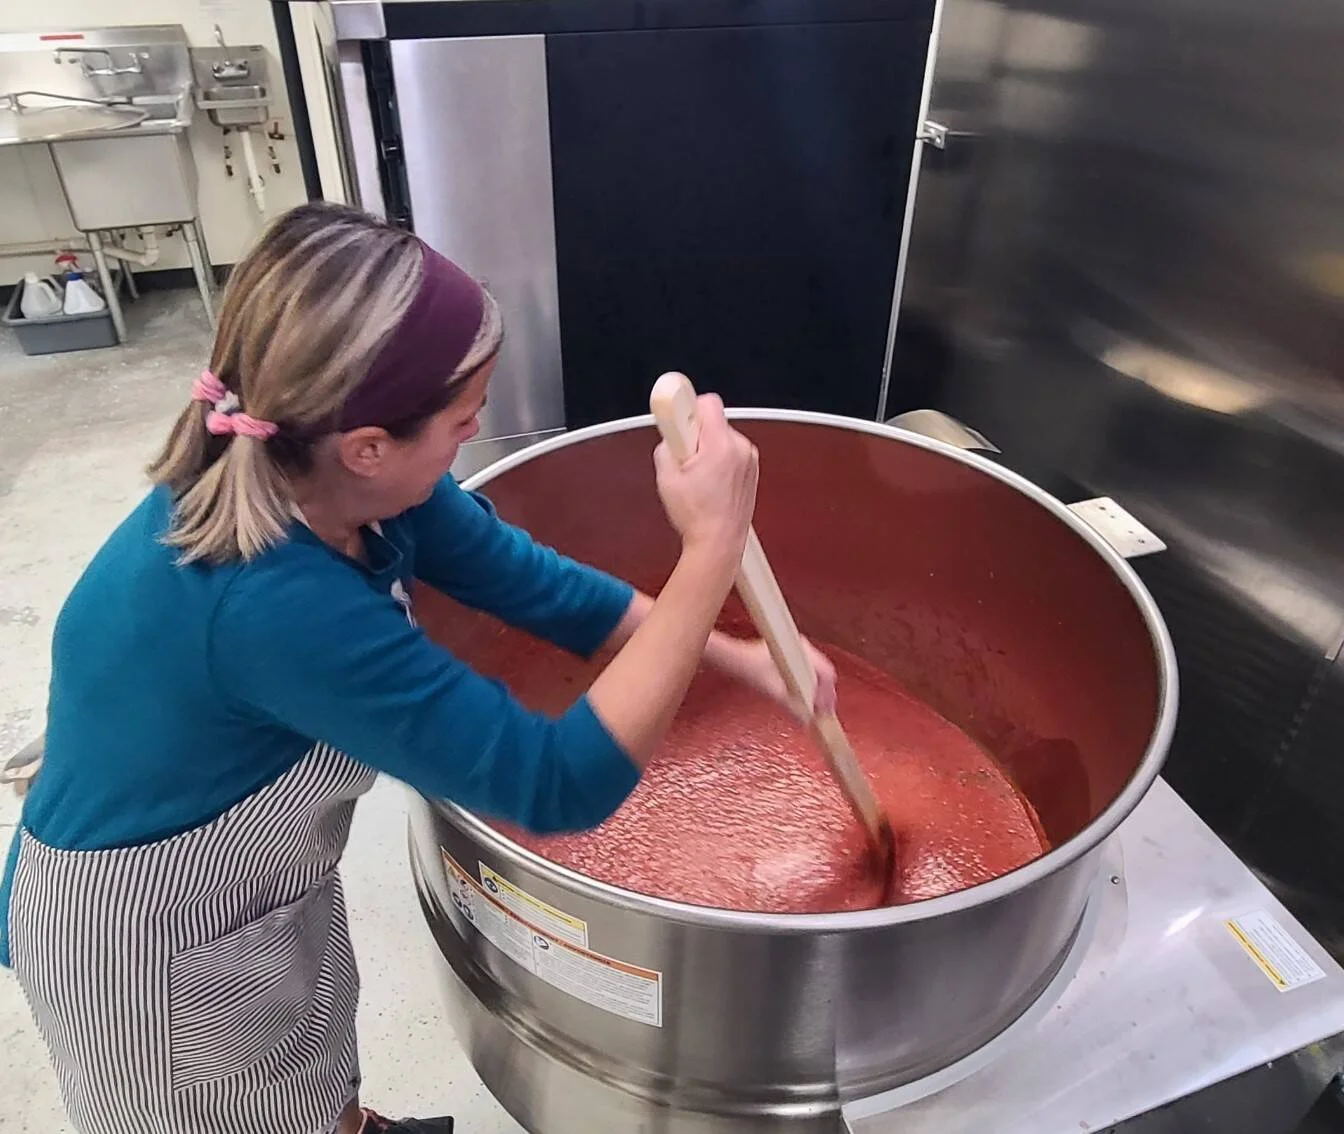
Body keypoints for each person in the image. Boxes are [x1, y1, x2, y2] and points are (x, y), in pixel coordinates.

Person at [0, 201, 835, 1134]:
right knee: (237, 1108)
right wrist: (708, 552)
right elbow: (552, 783)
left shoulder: (337, 476)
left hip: (258, 884)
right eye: (464, 421)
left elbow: (547, 593)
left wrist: (744, 658)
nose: (469, 440)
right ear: (367, 446)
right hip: (147, 946)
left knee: (308, 1054)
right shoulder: (270, 603)